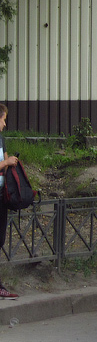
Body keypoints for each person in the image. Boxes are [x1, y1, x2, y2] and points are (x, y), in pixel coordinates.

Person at [0, 103, 20, 299]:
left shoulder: (1, 139)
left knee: (0, 239)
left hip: (1, 196)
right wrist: (5, 162)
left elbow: (4, 166)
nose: (5, 123)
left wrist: (11, 163)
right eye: (3, 119)